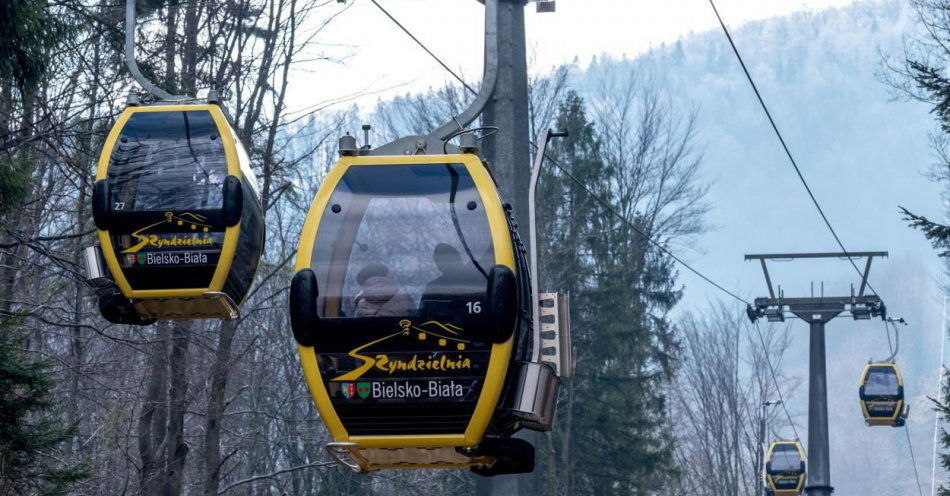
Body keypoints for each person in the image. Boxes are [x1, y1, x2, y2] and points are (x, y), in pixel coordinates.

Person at [420, 243, 482, 308]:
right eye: (441, 260)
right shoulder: (432, 288)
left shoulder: (476, 277)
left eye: (448, 259)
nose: (447, 264)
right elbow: (423, 314)